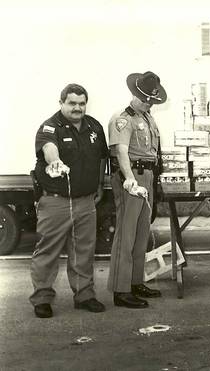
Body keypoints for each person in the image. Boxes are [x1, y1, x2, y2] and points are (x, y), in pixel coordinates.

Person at [30, 84, 108, 318]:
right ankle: (42, 298)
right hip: (56, 202)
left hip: (86, 201)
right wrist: (54, 161)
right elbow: (49, 148)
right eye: (72, 103)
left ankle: (84, 295)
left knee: (84, 250)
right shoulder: (50, 127)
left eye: (81, 103)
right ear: (62, 102)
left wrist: (98, 186)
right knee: (48, 250)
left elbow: (102, 157)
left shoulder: (94, 126)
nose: (77, 108)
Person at [107, 71, 166, 308]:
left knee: (142, 233)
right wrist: (130, 180)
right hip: (131, 177)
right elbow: (121, 152)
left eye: (151, 99)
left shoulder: (148, 118)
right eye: (144, 98)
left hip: (148, 176)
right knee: (126, 234)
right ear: (134, 94)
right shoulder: (123, 119)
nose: (148, 102)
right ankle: (121, 291)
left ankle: (135, 282)